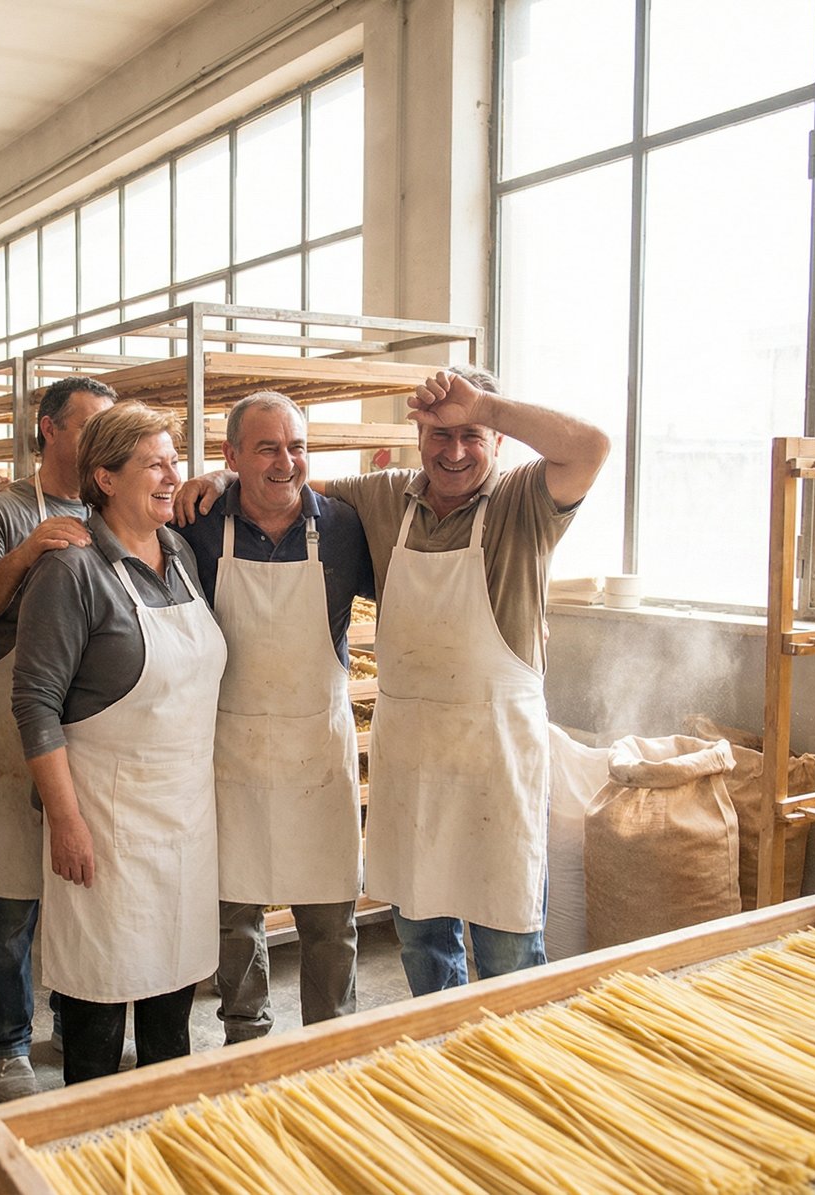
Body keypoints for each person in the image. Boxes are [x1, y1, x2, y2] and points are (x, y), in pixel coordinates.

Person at [177, 366, 609, 995]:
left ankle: (507, 1076)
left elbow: (591, 447)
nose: (454, 452)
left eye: (473, 436)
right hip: (411, 765)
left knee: (507, 946)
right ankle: (435, 1062)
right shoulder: (386, 499)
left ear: (498, 441)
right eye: (439, 434)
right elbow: (284, 485)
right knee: (421, 940)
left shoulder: (525, 502)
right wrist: (220, 476)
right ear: (418, 434)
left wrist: (484, 405)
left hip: (495, 762)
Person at [12, 402, 226, 1084]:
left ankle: (160, 1149)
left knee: (171, 1011)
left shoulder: (182, 553)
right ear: (104, 477)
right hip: (104, 825)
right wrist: (65, 822)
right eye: (154, 464)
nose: (171, 477)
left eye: (174, 461)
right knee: (99, 1015)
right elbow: (35, 701)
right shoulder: (72, 570)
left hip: (183, 821)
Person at [173, 391, 375, 1044]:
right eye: (266, 448)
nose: (285, 462)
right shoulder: (198, 526)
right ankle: (247, 1037)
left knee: (329, 918)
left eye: (297, 446)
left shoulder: (344, 525)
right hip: (234, 751)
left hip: (317, 747)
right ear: (230, 454)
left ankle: (328, 1044)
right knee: (237, 916)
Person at [0, 375, 117, 1101]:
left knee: (86, 884)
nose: (102, 445)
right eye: (89, 428)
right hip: (20, 724)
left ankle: (75, 1023)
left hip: (101, 719)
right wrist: (26, 554)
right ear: (48, 428)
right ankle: (8, 1042)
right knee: (14, 891)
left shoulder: (114, 507)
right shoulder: (0, 509)